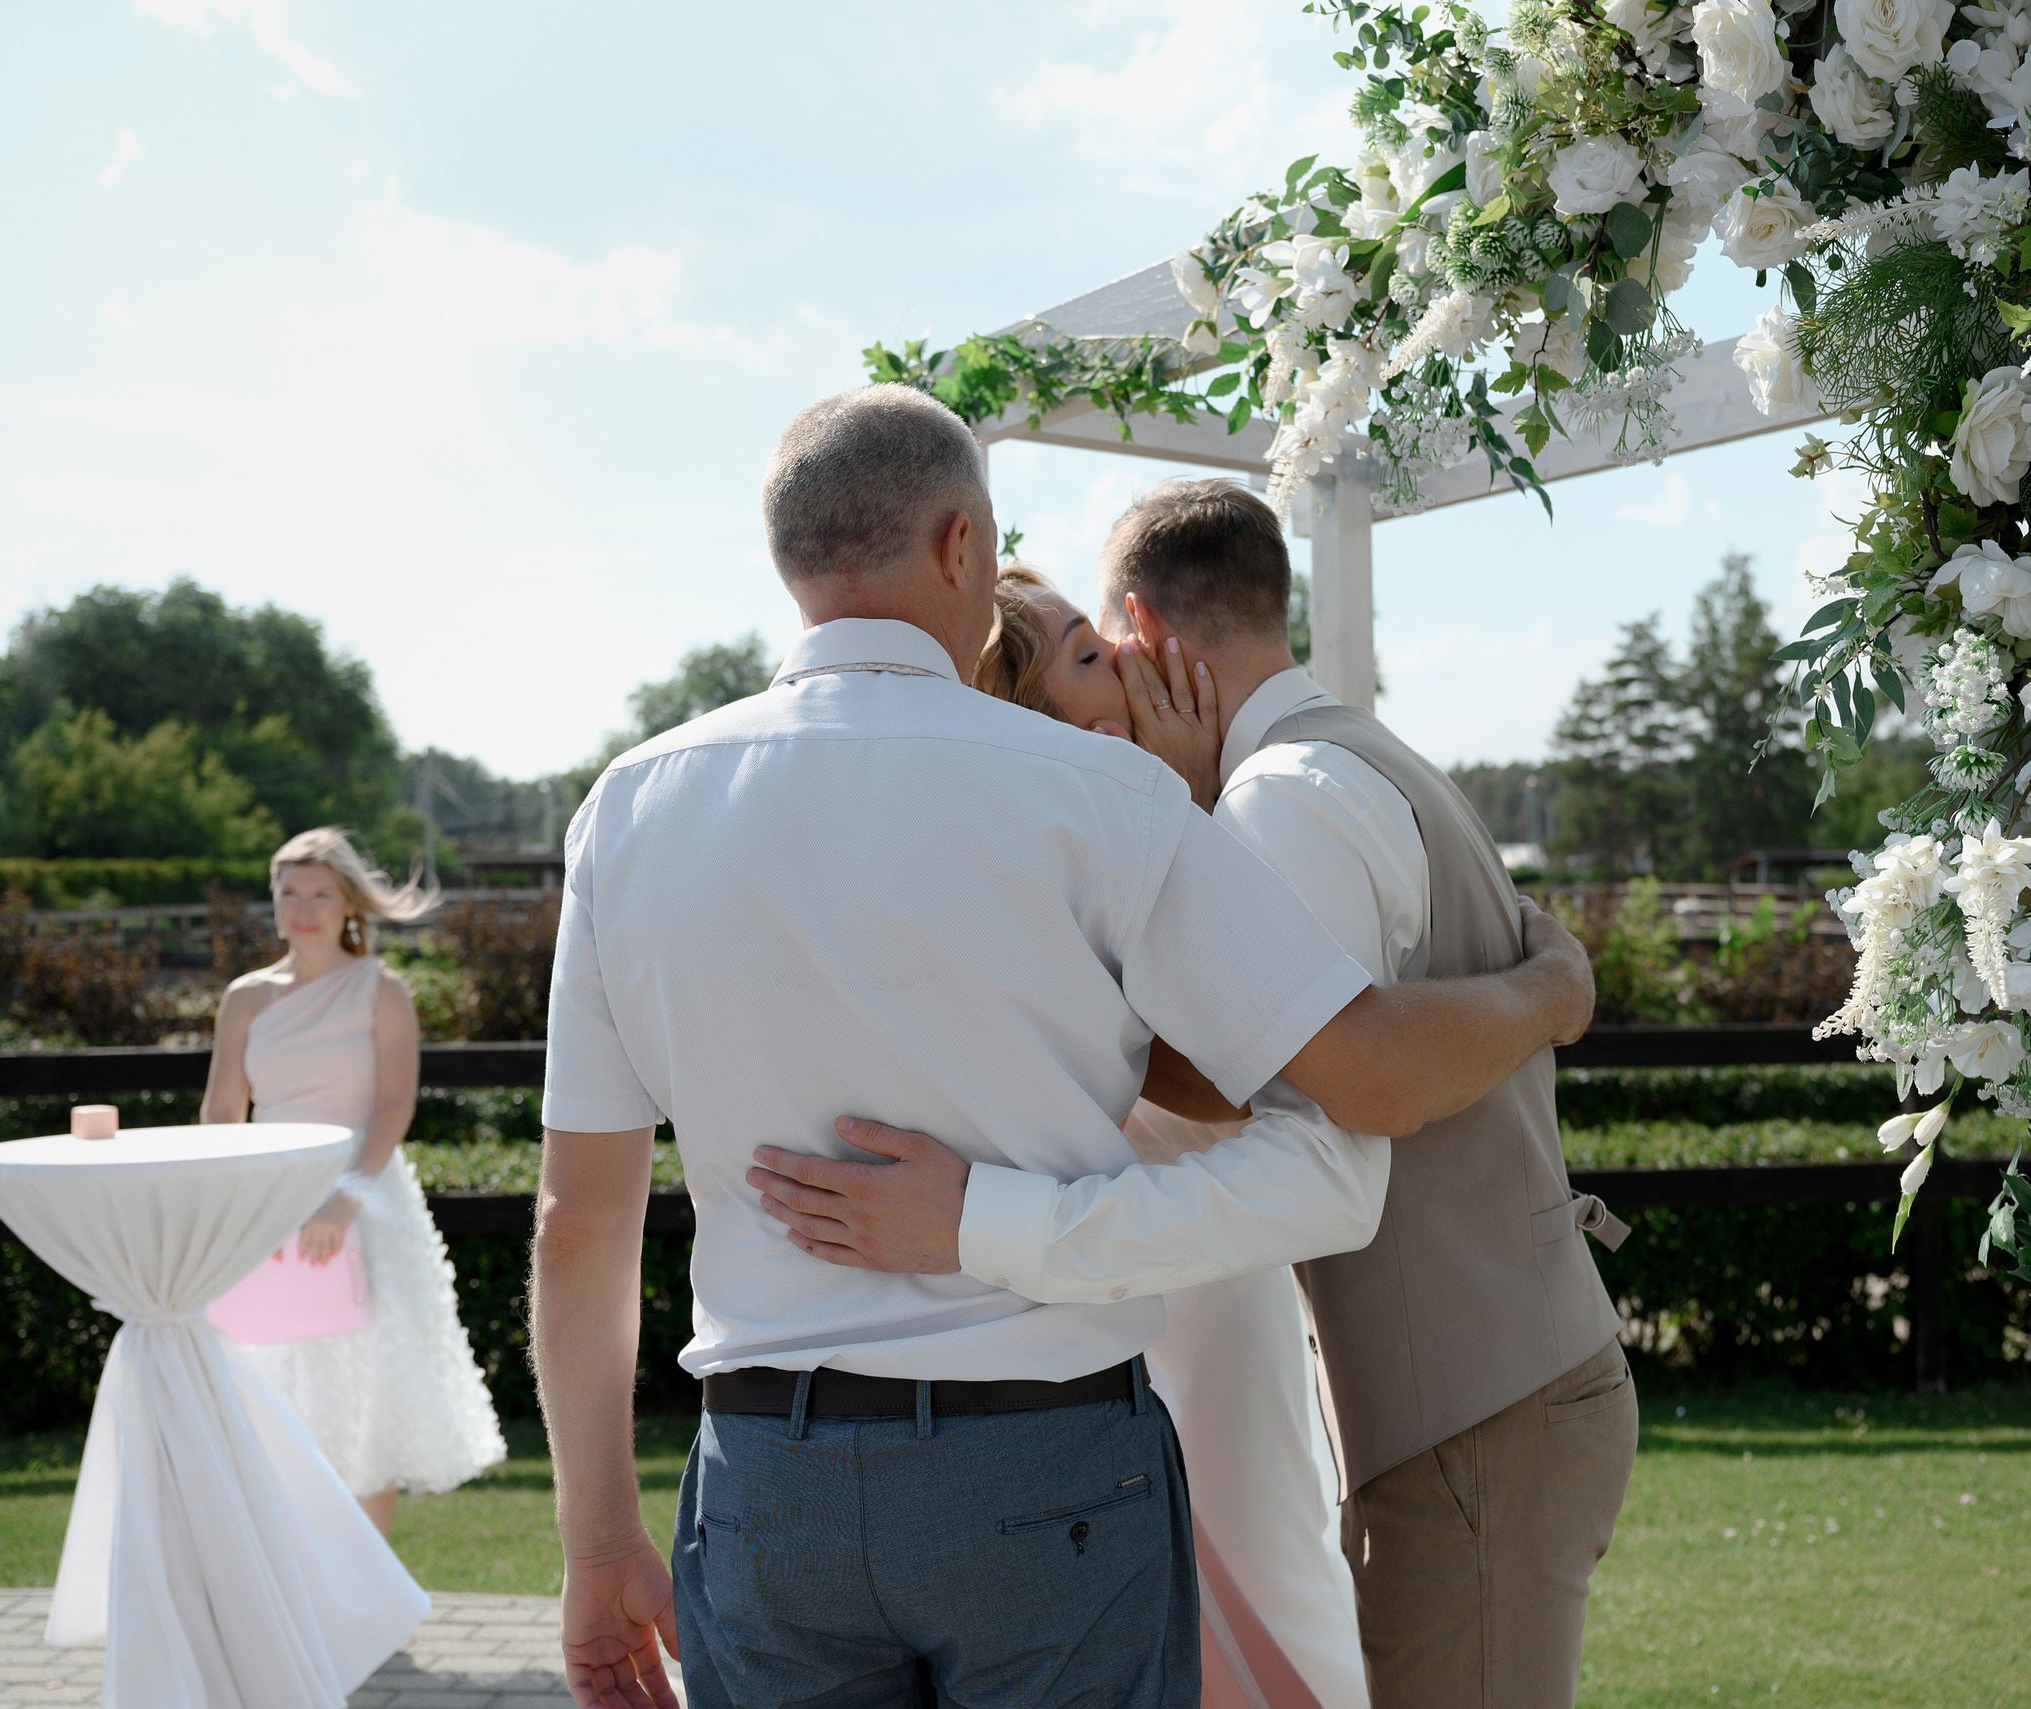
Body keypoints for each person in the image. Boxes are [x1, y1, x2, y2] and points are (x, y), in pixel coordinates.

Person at [530, 384, 1596, 1709]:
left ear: (788, 557)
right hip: (1044, 1466)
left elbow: (580, 1224)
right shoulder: (1104, 798)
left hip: (768, 1476)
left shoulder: (626, 812)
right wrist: (1554, 990)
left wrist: (596, 1543)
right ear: (964, 543)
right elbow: (1363, 1084)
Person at [977, 563, 1364, 1709]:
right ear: (1040, 709)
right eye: (1089, 653)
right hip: (1161, 1241)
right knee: (1246, 1551)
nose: (1130, 660)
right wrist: (1188, 804)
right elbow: (1227, 1059)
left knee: (1273, 1547)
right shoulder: (1085, 836)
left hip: (1187, 1243)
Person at [202, 827, 507, 1536]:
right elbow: (221, 1110)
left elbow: (395, 1102)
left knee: (369, 1399)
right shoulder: (244, 998)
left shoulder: (382, 989)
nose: (302, 907)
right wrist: (242, 1202)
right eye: (289, 891)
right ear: (272, 900)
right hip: (268, 1202)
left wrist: (343, 1202)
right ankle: (303, 1591)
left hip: (363, 1204)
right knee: (279, 1390)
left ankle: (364, 1595)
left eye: (321, 893)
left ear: (349, 905)